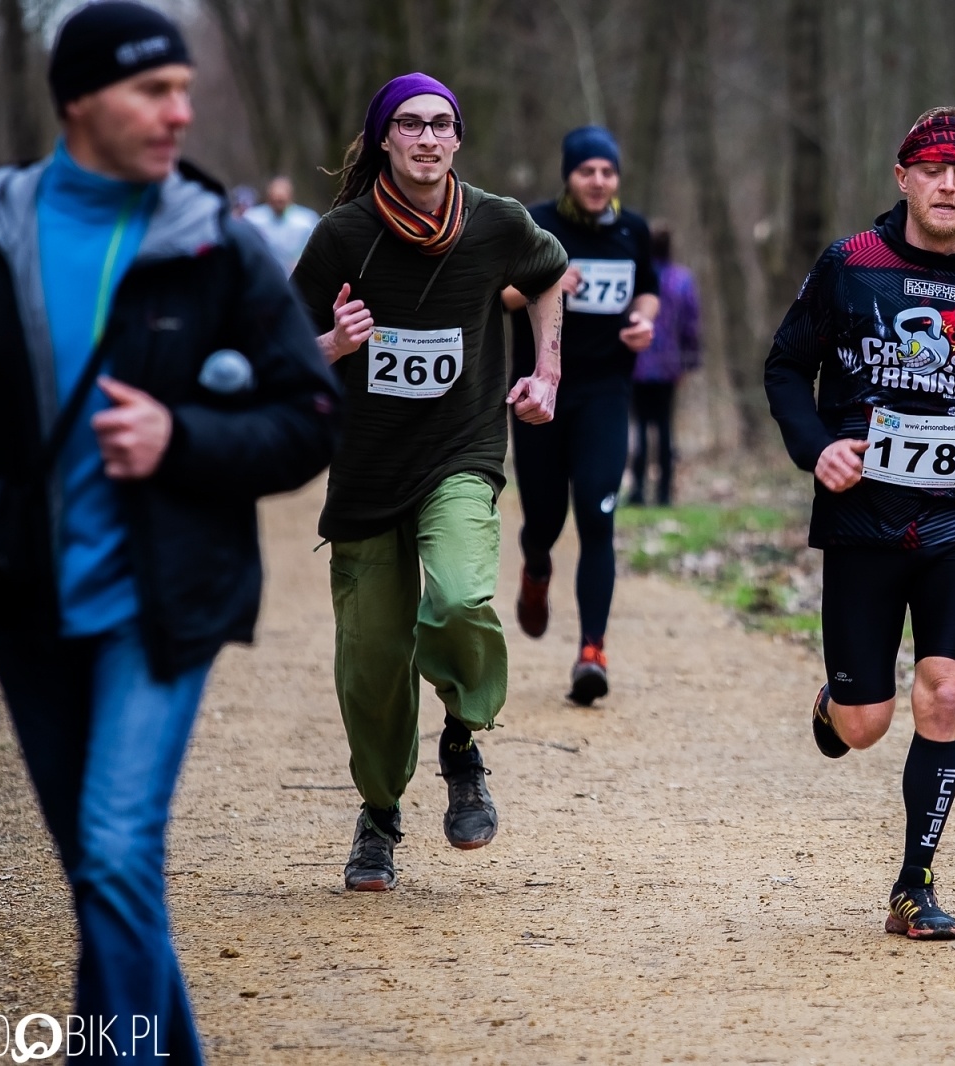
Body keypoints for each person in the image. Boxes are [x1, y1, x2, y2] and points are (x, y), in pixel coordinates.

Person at [0, 2, 340, 1059]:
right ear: (78, 99)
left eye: (186, 92)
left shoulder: (216, 249)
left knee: (110, 854)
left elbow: (308, 418)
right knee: (109, 872)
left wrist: (180, 437)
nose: (177, 112)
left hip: (162, 600)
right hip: (24, 600)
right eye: (153, 91)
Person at [764, 106, 955, 941]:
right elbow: (786, 366)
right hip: (862, 523)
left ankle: (913, 885)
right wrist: (817, 448)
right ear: (903, 177)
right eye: (932, 169)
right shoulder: (850, 266)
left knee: (946, 692)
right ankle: (836, 706)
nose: (948, 185)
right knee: (865, 727)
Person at [291, 74, 568, 892]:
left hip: (462, 452)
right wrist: (336, 347)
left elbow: (551, 273)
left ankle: (462, 735)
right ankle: (379, 814)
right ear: (384, 139)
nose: (426, 138)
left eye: (441, 125)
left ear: (457, 139)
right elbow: (277, 354)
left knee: (456, 599)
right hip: (369, 471)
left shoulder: (496, 222)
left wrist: (547, 372)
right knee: (372, 667)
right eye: (409, 124)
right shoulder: (342, 237)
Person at [504, 126, 658, 705]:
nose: (598, 181)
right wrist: (545, 282)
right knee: (544, 518)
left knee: (597, 515)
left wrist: (645, 323)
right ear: (569, 174)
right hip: (541, 391)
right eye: (587, 171)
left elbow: (647, 291)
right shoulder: (536, 223)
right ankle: (536, 566)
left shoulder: (632, 229)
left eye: (608, 172)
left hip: (605, 391)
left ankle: (592, 651)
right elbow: (501, 297)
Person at [627, 224, 700, 507]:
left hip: (637, 363)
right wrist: (687, 363)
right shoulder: (681, 280)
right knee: (665, 428)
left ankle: (638, 491)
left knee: (641, 427)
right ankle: (665, 493)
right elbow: (691, 326)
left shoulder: (638, 277)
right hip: (670, 366)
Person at [245, 175, 322, 274]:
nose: (278, 203)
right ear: (268, 197)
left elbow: (317, 249)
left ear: (290, 196)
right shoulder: (252, 219)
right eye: (275, 199)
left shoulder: (306, 221)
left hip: (296, 277)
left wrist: (303, 261)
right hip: (262, 275)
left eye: (281, 201)